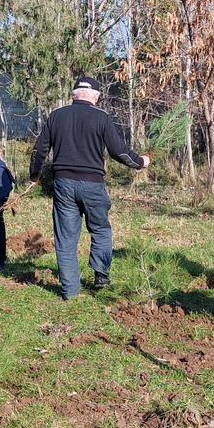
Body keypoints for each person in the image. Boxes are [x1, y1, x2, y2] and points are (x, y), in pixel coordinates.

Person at [28, 77, 150, 300]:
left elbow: (39, 151)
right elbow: (118, 151)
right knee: (101, 229)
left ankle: (70, 292)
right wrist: (139, 162)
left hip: (63, 185)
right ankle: (101, 277)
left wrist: (34, 176)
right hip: (93, 185)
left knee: (66, 239)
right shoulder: (102, 117)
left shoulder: (57, 115)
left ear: (74, 95)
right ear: (95, 96)